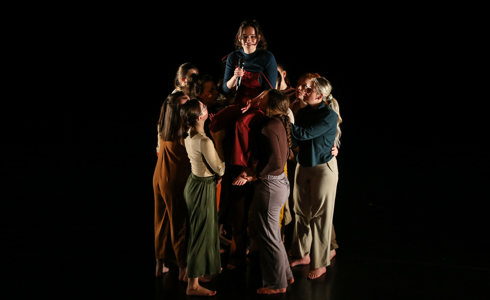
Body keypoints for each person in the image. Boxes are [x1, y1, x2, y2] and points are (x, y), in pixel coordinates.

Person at [209, 19, 278, 270]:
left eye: (252, 36)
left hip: (258, 103)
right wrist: (233, 78)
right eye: (244, 37)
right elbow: (227, 90)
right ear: (239, 38)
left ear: (258, 37)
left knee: (241, 124)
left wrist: (255, 103)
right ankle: (218, 165)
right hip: (240, 100)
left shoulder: (266, 57)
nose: (248, 40)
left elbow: (273, 88)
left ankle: (243, 162)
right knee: (217, 121)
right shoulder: (234, 58)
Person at [233, 89, 294, 294]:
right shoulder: (278, 122)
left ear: (272, 103)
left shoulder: (269, 126)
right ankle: (285, 275)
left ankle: (277, 285)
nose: (259, 99)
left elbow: (276, 162)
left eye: (263, 98)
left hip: (271, 186)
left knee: (268, 236)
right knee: (273, 234)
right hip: (279, 184)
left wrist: (254, 175)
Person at [288, 76, 342, 280]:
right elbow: (293, 137)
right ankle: (303, 254)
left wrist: (285, 115)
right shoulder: (302, 112)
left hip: (323, 168)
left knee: (320, 217)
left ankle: (321, 263)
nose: (303, 89)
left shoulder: (328, 116)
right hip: (304, 165)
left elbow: (302, 134)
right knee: (300, 212)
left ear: (320, 95)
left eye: (309, 89)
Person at [181, 99, 225, 296]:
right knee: (199, 234)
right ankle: (193, 285)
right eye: (204, 107)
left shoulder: (189, 135)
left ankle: (202, 271)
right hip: (202, 188)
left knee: (203, 230)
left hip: (194, 184)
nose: (208, 108)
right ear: (200, 117)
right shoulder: (204, 141)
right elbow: (220, 168)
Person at [152, 91, 191, 281]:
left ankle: (159, 265)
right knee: (179, 223)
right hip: (173, 178)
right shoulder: (183, 129)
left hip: (159, 175)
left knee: (161, 221)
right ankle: (183, 268)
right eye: (186, 104)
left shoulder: (163, 125)